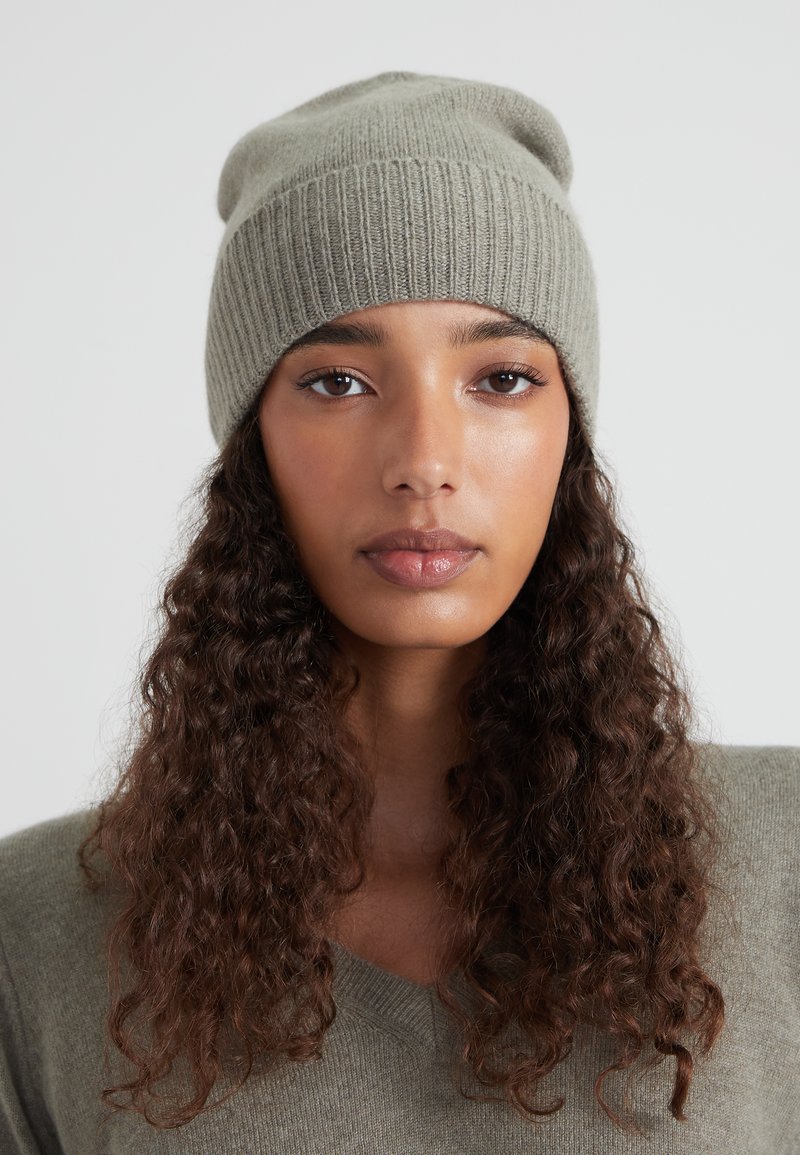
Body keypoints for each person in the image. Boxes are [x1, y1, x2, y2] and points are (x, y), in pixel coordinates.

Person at [0, 70, 798, 1155]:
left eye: (500, 379)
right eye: (338, 381)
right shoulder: (34, 936)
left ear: (569, 433)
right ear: (251, 440)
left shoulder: (785, 860)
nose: (425, 460)